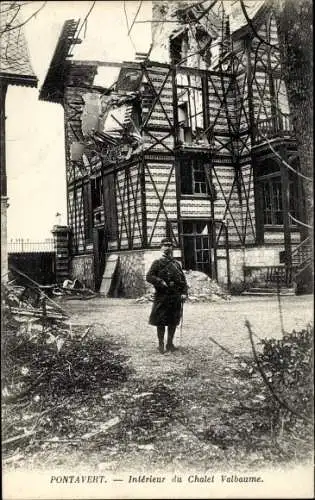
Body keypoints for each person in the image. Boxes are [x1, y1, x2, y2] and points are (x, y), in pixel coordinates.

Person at [146, 237, 188, 354]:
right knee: (161, 321)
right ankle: (161, 345)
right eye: (165, 245)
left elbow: (183, 280)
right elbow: (149, 276)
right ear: (161, 247)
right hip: (162, 296)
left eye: (169, 245)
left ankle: (170, 344)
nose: (167, 247)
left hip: (175, 297)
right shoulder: (157, 263)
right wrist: (160, 282)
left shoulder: (176, 264)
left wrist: (184, 293)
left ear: (172, 248)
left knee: (173, 321)